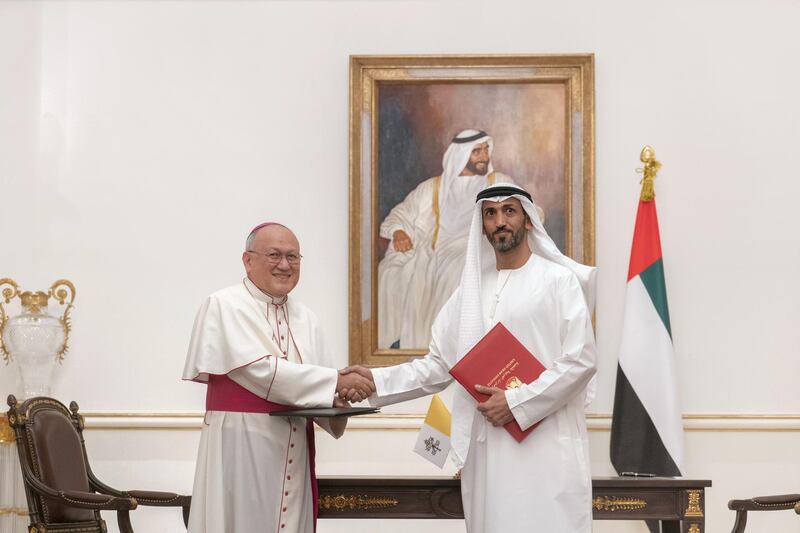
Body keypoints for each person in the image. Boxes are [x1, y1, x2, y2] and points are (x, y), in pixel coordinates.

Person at [343, 183, 598, 532]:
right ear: (481, 225)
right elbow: (436, 366)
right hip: (488, 454)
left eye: (509, 210)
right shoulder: (468, 293)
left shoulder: (558, 281)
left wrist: (516, 402)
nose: (499, 221)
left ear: (527, 220)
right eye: (490, 213)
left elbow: (581, 359)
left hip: (547, 449)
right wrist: (375, 380)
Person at [182, 222, 374, 533]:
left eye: (293, 257)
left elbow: (324, 386)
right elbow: (259, 371)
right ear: (248, 260)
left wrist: (341, 396)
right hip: (241, 444)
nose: (284, 265)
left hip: (294, 445)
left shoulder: (307, 317)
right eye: (274, 255)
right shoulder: (223, 305)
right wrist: (337, 383)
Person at [378, 129, 514, 349]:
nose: (483, 156)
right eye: (476, 151)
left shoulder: (498, 182)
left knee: (455, 272)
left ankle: (453, 350)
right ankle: (414, 349)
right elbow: (400, 214)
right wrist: (398, 232)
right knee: (388, 272)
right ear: (460, 155)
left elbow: (527, 210)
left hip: (475, 248)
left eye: (485, 150)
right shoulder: (433, 187)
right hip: (431, 249)